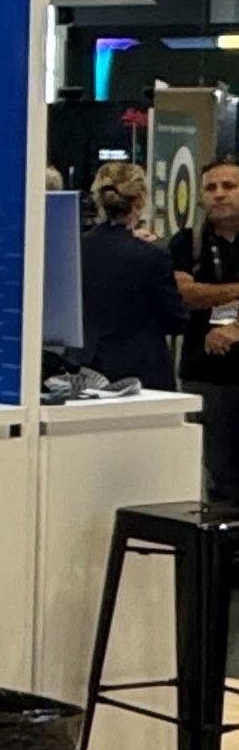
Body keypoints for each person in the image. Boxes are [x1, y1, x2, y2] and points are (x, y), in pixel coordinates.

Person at [79, 163, 186, 389]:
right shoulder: (152, 255)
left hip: (87, 369)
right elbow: (175, 320)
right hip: (142, 373)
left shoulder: (75, 249)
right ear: (140, 201)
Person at [171, 157, 239, 505]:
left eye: (229, 186)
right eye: (211, 188)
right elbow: (186, 294)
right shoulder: (188, 243)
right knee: (218, 475)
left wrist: (234, 326)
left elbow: (202, 293)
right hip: (206, 375)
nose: (219, 194)